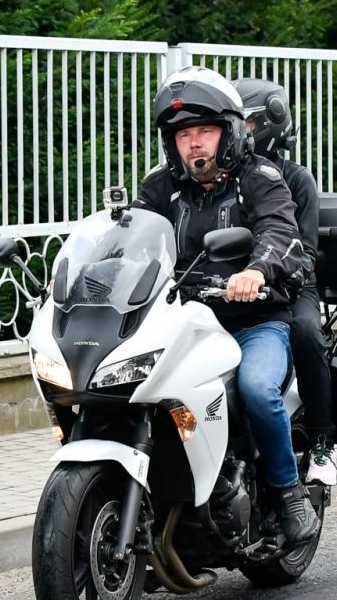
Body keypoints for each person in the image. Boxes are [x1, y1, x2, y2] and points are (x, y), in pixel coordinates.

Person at [134, 65, 319, 545]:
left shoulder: (260, 178)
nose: (194, 143)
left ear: (228, 133)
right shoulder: (159, 189)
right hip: (182, 324)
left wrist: (256, 271)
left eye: (205, 131)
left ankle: (288, 493)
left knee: (258, 389)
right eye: (184, 135)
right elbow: (128, 239)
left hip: (253, 322)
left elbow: (281, 231)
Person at [233, 77, 337, 488]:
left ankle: (321, 443)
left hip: (291, 285)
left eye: (249, 124)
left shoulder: (298, 180)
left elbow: (306, 253)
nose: (242, 133)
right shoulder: (231, 179)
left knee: (306, 331)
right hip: (231, 289)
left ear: (272, 122)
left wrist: (274, 276)